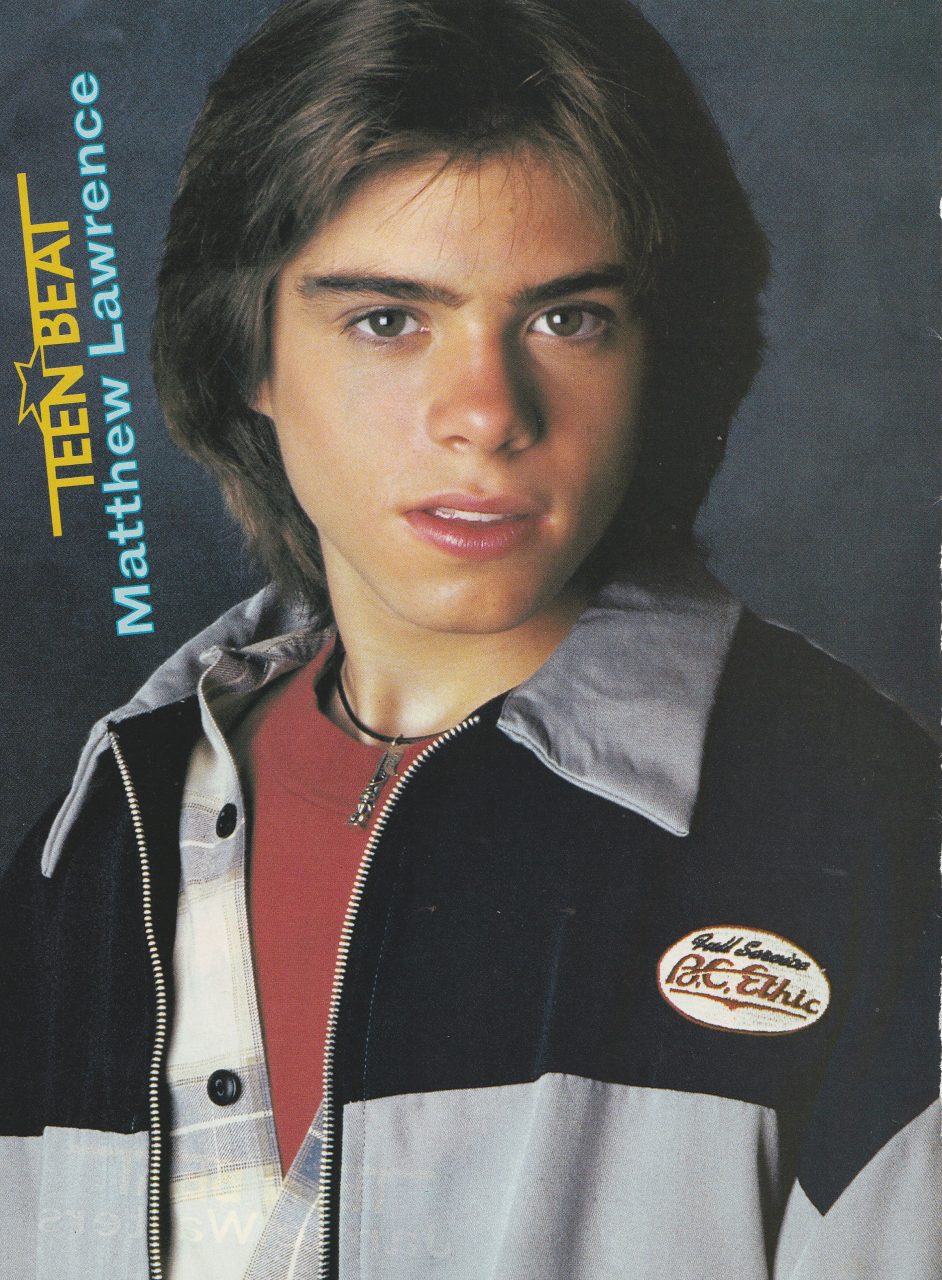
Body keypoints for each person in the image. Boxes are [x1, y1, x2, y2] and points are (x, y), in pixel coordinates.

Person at [1, 1, 938, 1277]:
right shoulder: (97, 834)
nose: (488, 412)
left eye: (568, 317)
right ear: (247, 356)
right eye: (389, 320)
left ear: (660, 354)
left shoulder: (870, 823)